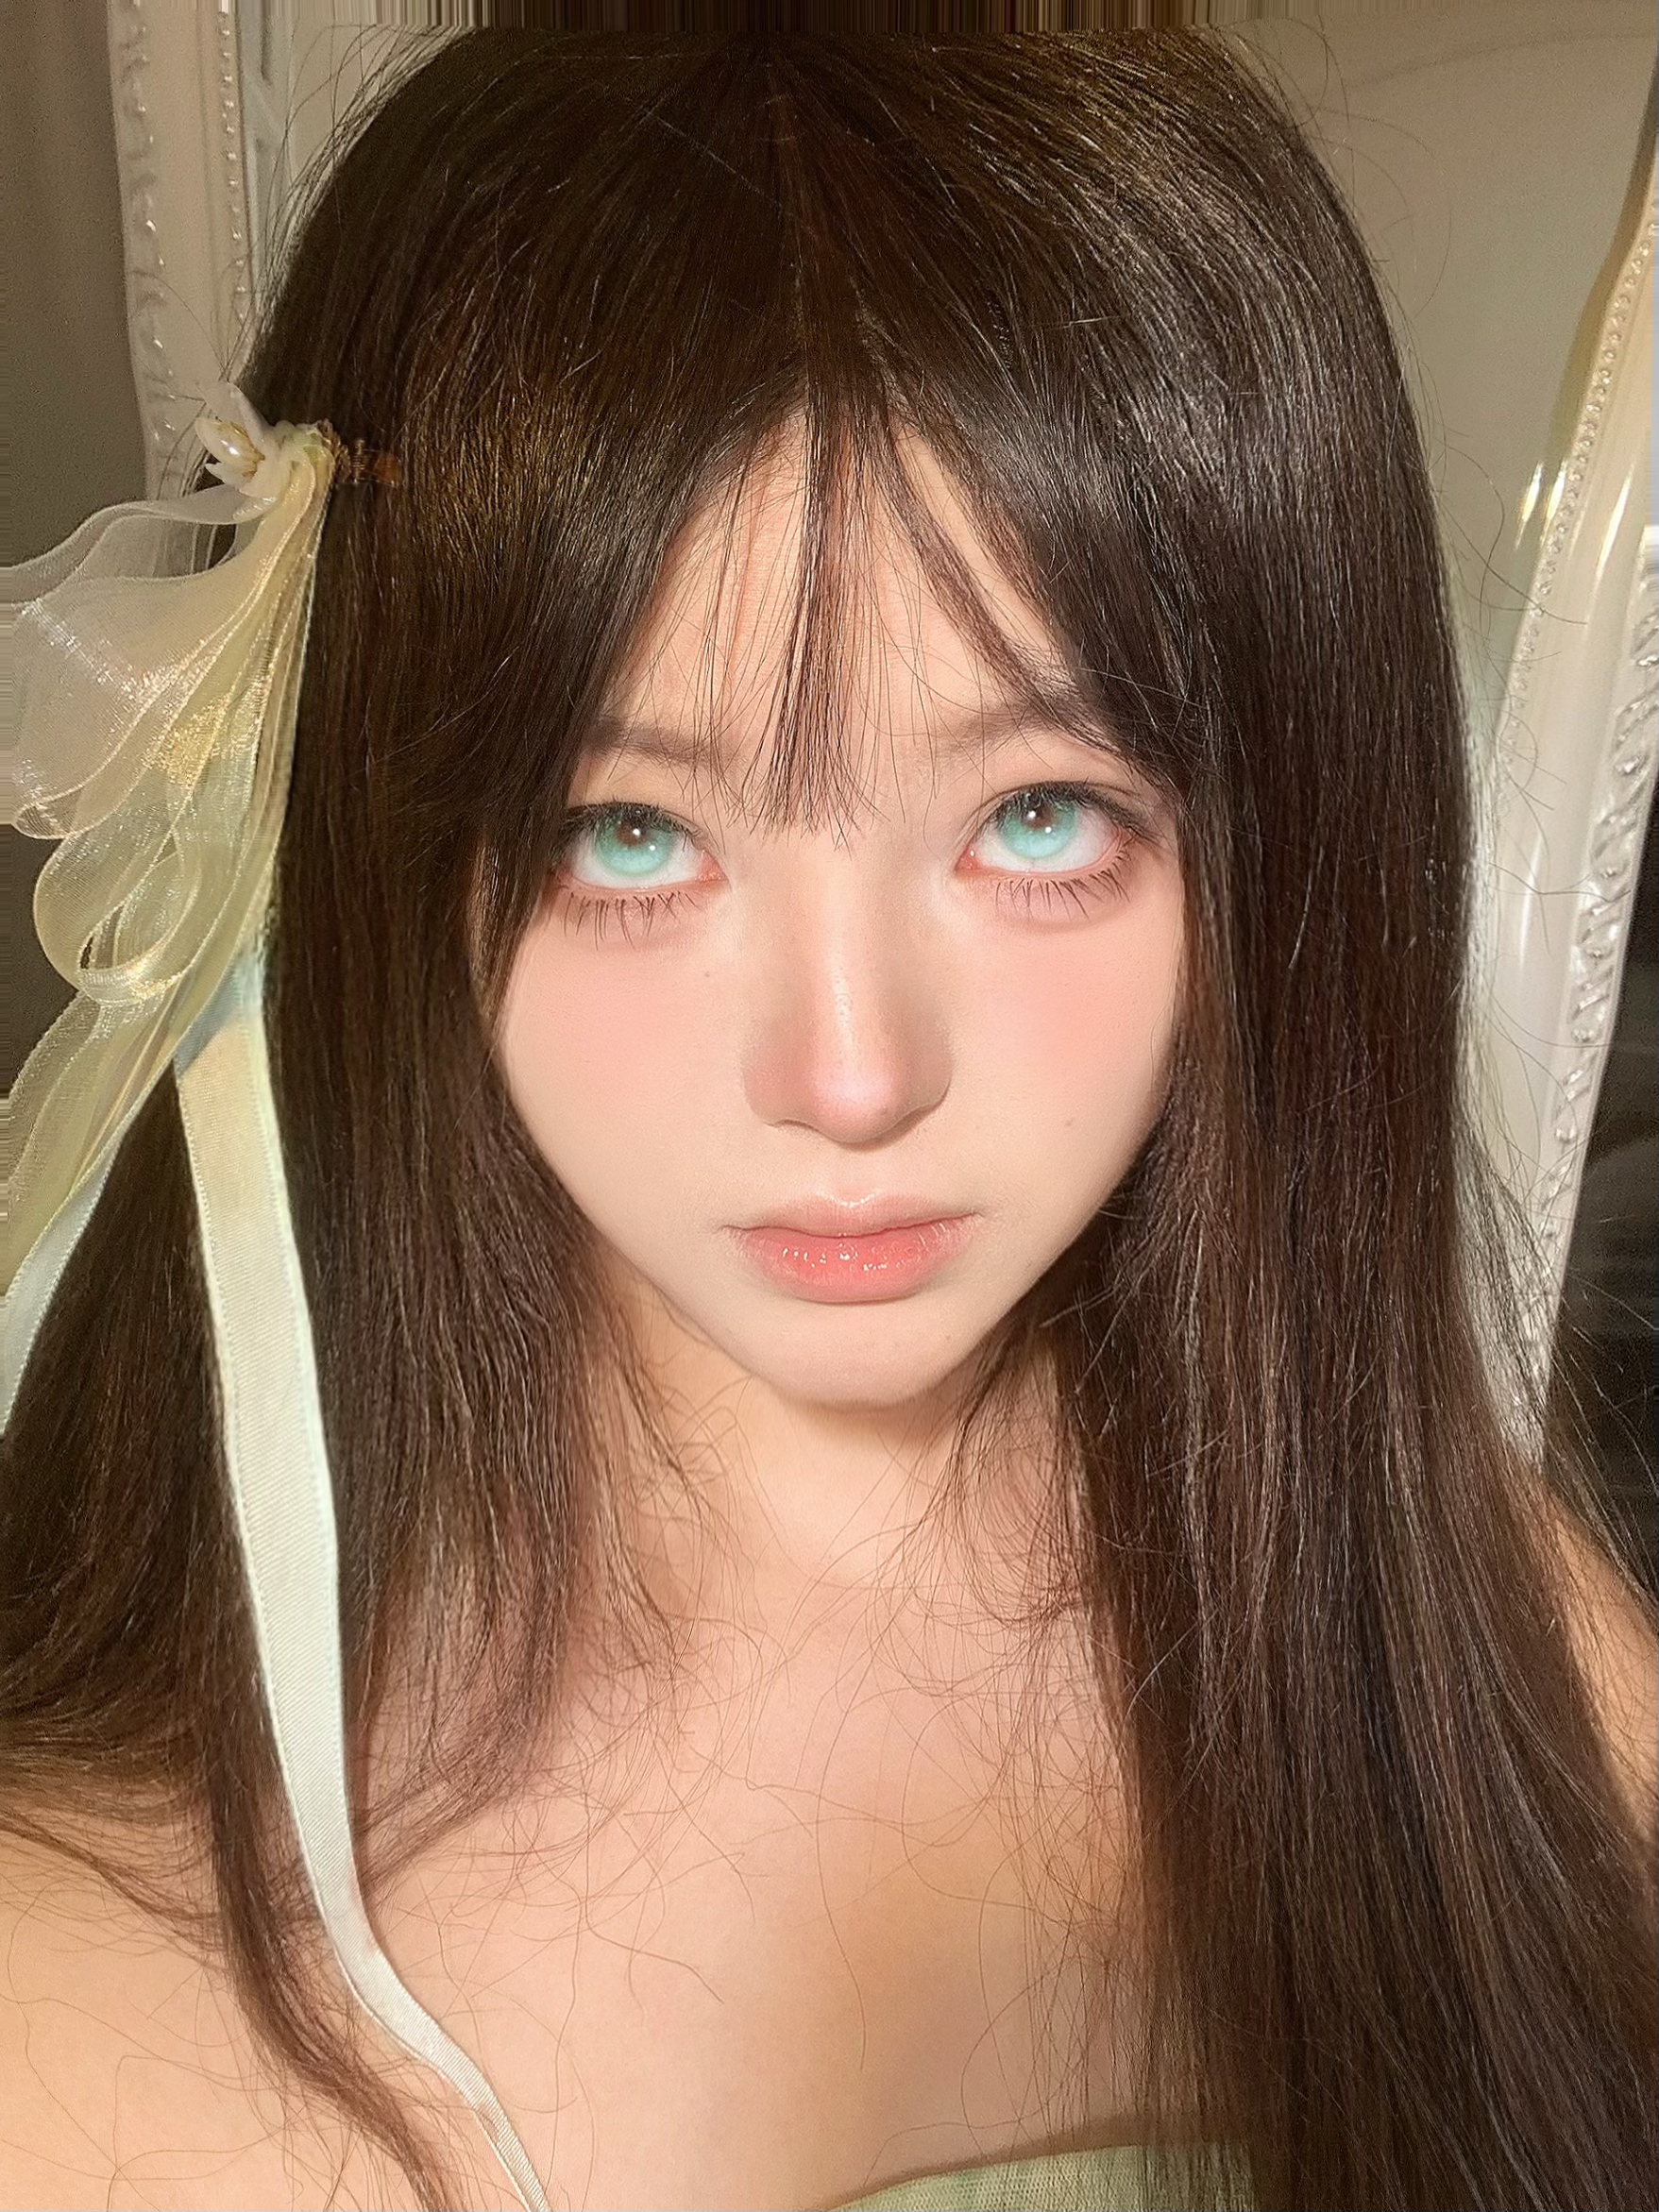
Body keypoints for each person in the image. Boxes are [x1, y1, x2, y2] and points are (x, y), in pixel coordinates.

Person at [1, 29, 1653, 2212]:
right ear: (384, 842)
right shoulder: (73, 1933)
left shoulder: (1455, 1638)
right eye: (632, 834)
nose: (853, 1075)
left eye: (1038, 815)